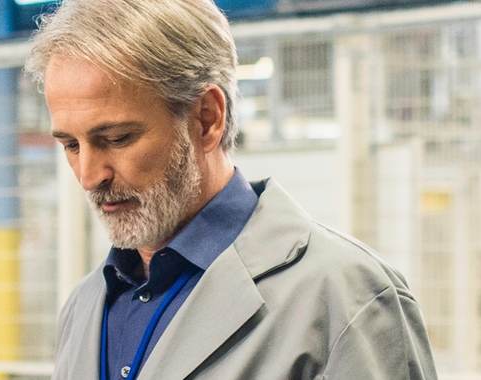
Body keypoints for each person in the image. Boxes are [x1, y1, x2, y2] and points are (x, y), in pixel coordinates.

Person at [29, 1, 436, 378]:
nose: (88, 176)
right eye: (70, 145)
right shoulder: (85, 308)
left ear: (207, 119)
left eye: (117, 138)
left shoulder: (345, 298)